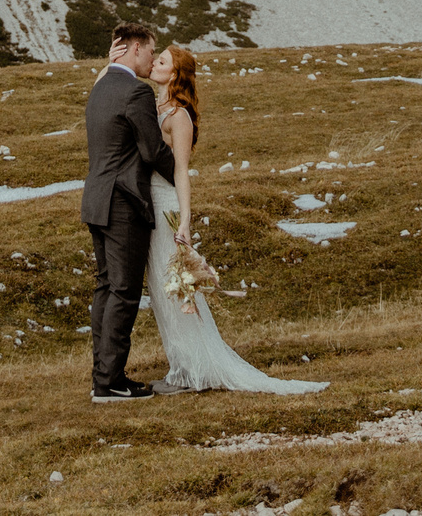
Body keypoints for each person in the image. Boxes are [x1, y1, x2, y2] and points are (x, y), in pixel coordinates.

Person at [142, 42, 327, 394]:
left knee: (178, 289)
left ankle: (196, 370)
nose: (154, 63)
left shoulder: (178, 116)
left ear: (175, 73)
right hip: (147, 205)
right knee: (159, 288)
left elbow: (181, 171)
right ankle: (181, 367)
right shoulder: (152, 106)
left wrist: (184, 220)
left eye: (161, 61)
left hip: (165, 202)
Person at [81, 20, 173, 401]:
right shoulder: (135, 91)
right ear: (135, 49)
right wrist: (182, 172)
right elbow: (152, 150)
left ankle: (103, 375)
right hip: (123, 204)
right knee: (123, 291)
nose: (153, 59)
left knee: (106, 288)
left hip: (96, 199)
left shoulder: (101, 87)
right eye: (151, 51)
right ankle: (110, 382)